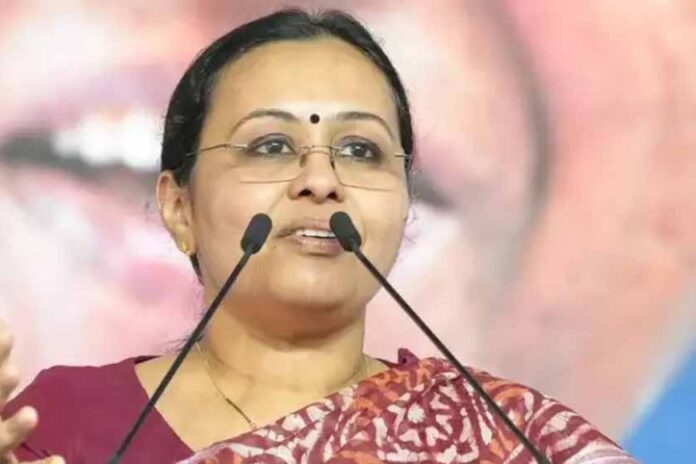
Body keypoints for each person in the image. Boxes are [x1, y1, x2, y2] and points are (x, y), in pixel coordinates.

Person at [0, 8, 637, 464]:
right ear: (179, 206)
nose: (320, 181)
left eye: (361, 151)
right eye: (271, 145)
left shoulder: (508, 438)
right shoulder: (55, 424)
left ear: (405, 209)